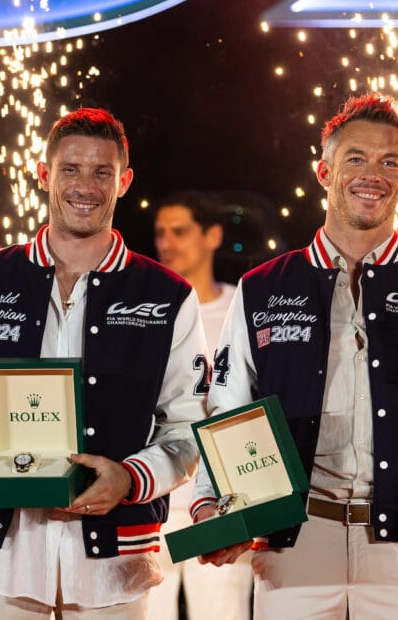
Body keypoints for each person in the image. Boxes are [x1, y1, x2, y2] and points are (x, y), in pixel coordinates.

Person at [191, 93, 398, 620]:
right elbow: (228, 406)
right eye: (356, 159)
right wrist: (212, 502)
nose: (373, 174)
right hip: (294, 541)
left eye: (391, 163)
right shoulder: (263, 287)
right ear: (324, 171)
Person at [0, 107, 207, 619]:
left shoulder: (168, 295)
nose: (85, 186)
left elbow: (189, 424)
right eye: (70, 169)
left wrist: (130, 479)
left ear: (124, 181)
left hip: (117, 568)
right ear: (44, 173)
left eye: (102, 172)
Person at [150, 190, 251, 620]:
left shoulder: (242, 305)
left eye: (179, 231)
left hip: (224, 496)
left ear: (212, 236)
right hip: (154, 496)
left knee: (222, 612)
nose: (167, 243)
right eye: (159, 233)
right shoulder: (146, 308)